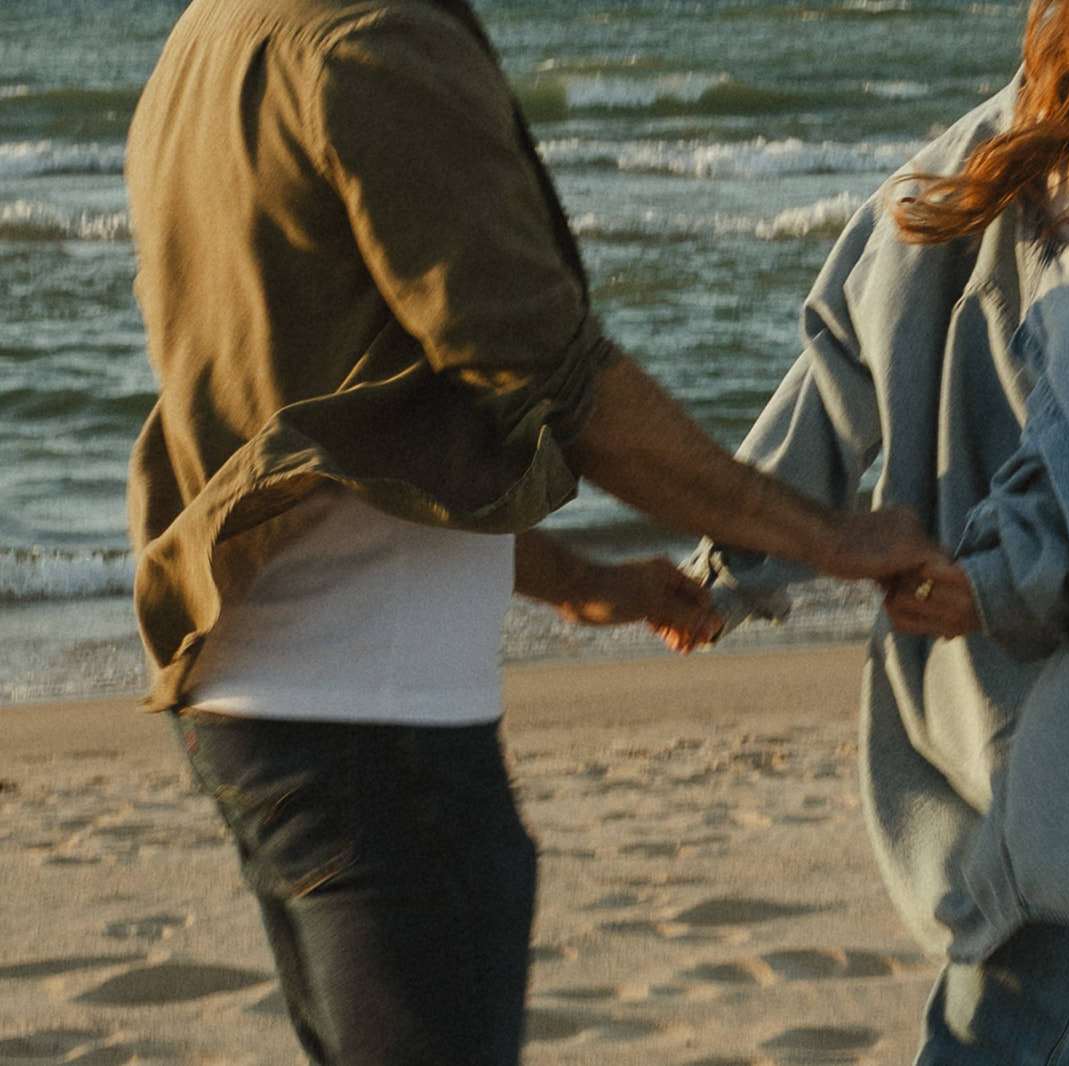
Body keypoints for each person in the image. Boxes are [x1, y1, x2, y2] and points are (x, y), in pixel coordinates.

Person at [121, 0, 940, 1063]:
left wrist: (572, 578)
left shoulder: (212, 36)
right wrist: (828, 535)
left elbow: (336, 403)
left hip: (255, 696)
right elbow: (551, 378)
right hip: (377, 730)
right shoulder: (375, 45)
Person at [691, 0, 1069, 1062]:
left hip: (998, 597)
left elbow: (838, 355)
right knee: (1021, 1019)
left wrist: (726, 566)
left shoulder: (1005, 133)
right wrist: (1012, 559)